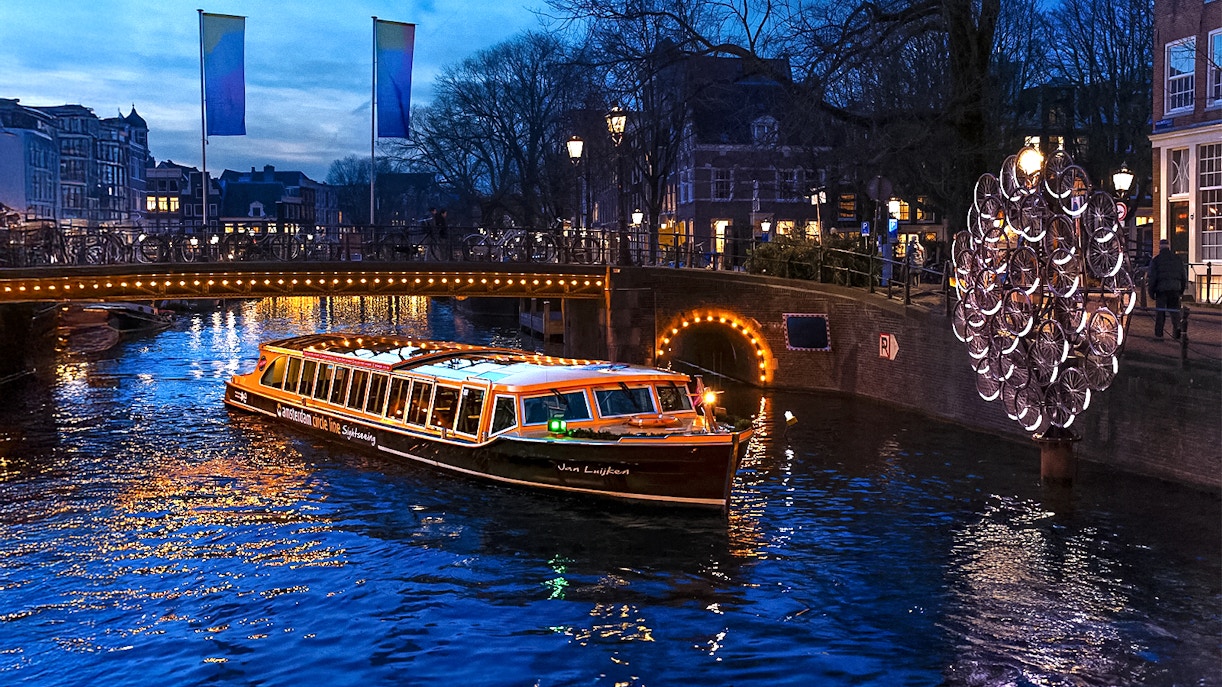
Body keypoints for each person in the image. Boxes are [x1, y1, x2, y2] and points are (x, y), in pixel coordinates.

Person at [1147, 238, 1187, 339]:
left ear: (1160, 247)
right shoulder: (1177, 259)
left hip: (1161, 290)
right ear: (1169, 246)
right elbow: (1183, 276)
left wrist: (1151, 292)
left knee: (1160, 313)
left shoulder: (1156, 260)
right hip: (1175, 289)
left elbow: (1152, 278)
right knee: (1175, 313)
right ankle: (1177, 332)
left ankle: (1159, 335)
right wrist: (1181, 290)